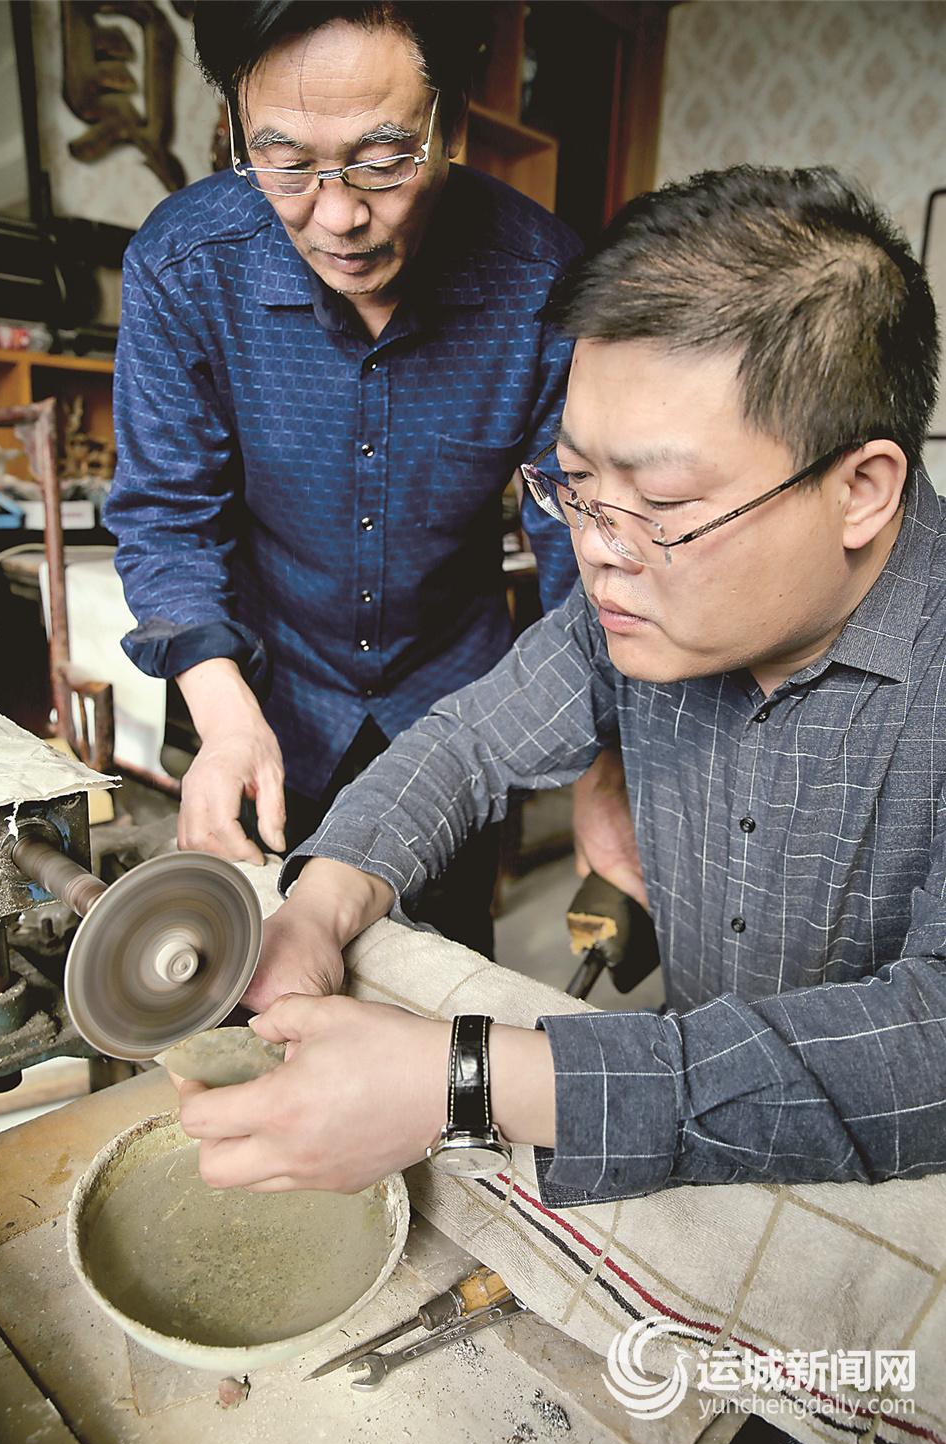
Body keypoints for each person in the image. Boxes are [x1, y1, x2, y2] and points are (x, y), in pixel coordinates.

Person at [175, 164, 945, 1210]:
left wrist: (468, 1078)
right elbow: (467, 743)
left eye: (660, 503)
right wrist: (318, 904)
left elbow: (925, 1043)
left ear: (861, 489)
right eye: (574, 483)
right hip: (702, 1160)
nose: (597, 550)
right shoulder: (628, 602)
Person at [104, 0, 611, 962]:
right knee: (263, 968)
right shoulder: (184, 267)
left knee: (442, 970)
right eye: (285, 162)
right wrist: (221, 709)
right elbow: (168, 516)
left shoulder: (543, 281)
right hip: (266, 698)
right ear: (237, 130)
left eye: (383, 160)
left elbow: (582, 548)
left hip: (458, 710)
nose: (337, 215)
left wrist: (604, 764)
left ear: (452, 125)